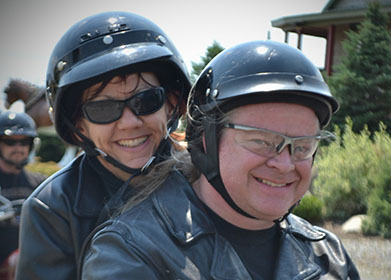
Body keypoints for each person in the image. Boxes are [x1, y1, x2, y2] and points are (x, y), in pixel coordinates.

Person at [81, 40, 360, 279]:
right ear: (206, 142)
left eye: (302, 146)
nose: (285, 164)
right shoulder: (132, 252)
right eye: (262, 141)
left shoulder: (328, 254)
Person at [15, 11, 190, 280]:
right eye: (103, 109)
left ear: (170, 103)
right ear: (79, 125)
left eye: (146, 100)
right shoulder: (52, 207)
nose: (129, 122)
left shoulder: (208, 179)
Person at [0, 111, 46, 267]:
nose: (18, 148)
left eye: (24, 142)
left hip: (34, 263)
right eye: (10, 142)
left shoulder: (41, 184)